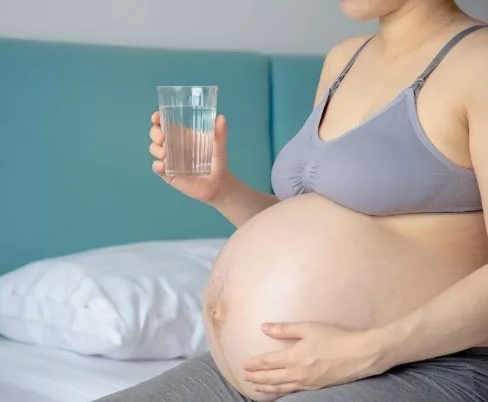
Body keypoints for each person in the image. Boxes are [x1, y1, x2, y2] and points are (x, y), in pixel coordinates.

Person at [97, 0, 488, 400]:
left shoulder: (479, 63)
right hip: (270, 372)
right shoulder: (344, 59)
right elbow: (332, 231)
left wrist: (370, 351)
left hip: (419, 365)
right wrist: (223, 191)